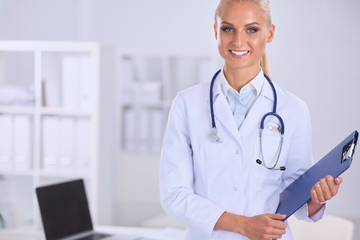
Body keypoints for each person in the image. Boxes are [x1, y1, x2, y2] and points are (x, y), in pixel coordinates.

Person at [159, 0, 342, 239]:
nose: (238, 41)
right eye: (228, 29)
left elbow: (296, 193)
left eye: (252, 29)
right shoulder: (187, 104)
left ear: (270, 33)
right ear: (215, 31)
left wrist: (317, 199)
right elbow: (174, 194)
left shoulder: (293, 109)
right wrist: (243, 225)